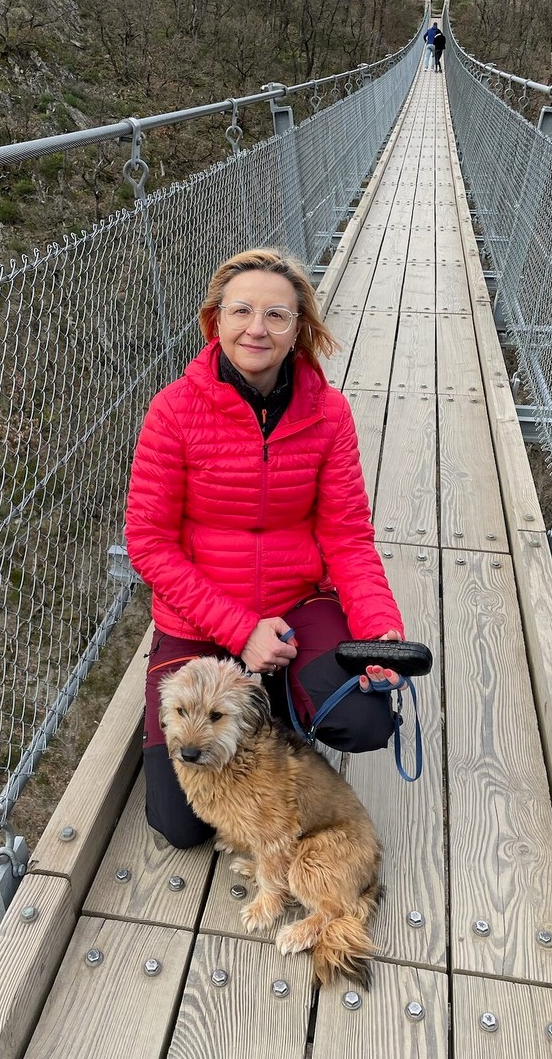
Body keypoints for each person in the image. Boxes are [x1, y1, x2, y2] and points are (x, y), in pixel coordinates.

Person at [126, 248, 406, 847]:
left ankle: (278, 686)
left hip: (300, 601)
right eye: (242, 311)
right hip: (200, 618)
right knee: (180, 825)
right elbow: (148, 544)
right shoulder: (173, 412)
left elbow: (348, 537)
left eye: (277, 315)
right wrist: (240, 630)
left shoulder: (328, 415)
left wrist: (379, 627)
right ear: (215, 321)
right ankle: (260, 686)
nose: (257, 328)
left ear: (299, 328)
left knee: (364, 719)